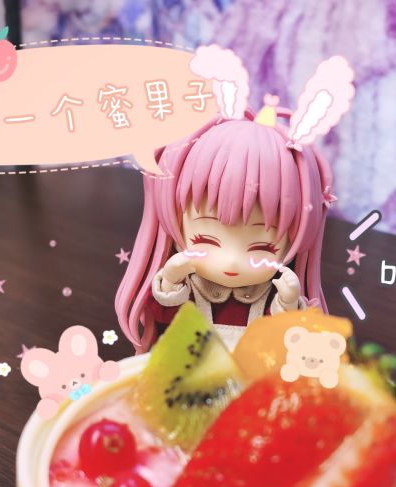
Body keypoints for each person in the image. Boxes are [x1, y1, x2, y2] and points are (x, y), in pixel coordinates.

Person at [116, 47, 354, 352]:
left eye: (262, 247)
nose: (230, 261)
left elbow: (290, 339)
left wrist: (287, 302)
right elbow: (162, 318)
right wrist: (172, 281)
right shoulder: (189, 285)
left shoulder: (270, 292)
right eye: (205, 240)